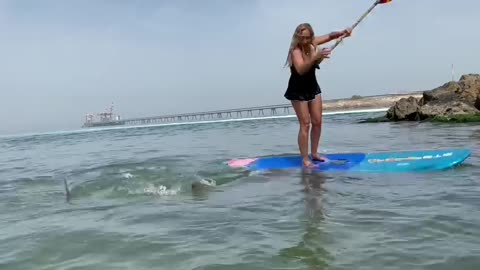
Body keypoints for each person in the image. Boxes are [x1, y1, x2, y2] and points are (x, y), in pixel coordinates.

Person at [284, 23, 352, 168]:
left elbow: (330, 36)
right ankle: (304, 159)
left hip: (312, 87)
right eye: (302, 38)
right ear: (297, 37)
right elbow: (301, 70)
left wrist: (342, 32)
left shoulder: (312, 42)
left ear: (311, 36)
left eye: (308, 38)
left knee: (317, 121)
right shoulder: (295, 51)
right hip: (298, 89)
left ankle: (314, 153)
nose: (305, 41)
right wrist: (316, 57)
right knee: (305, 124)